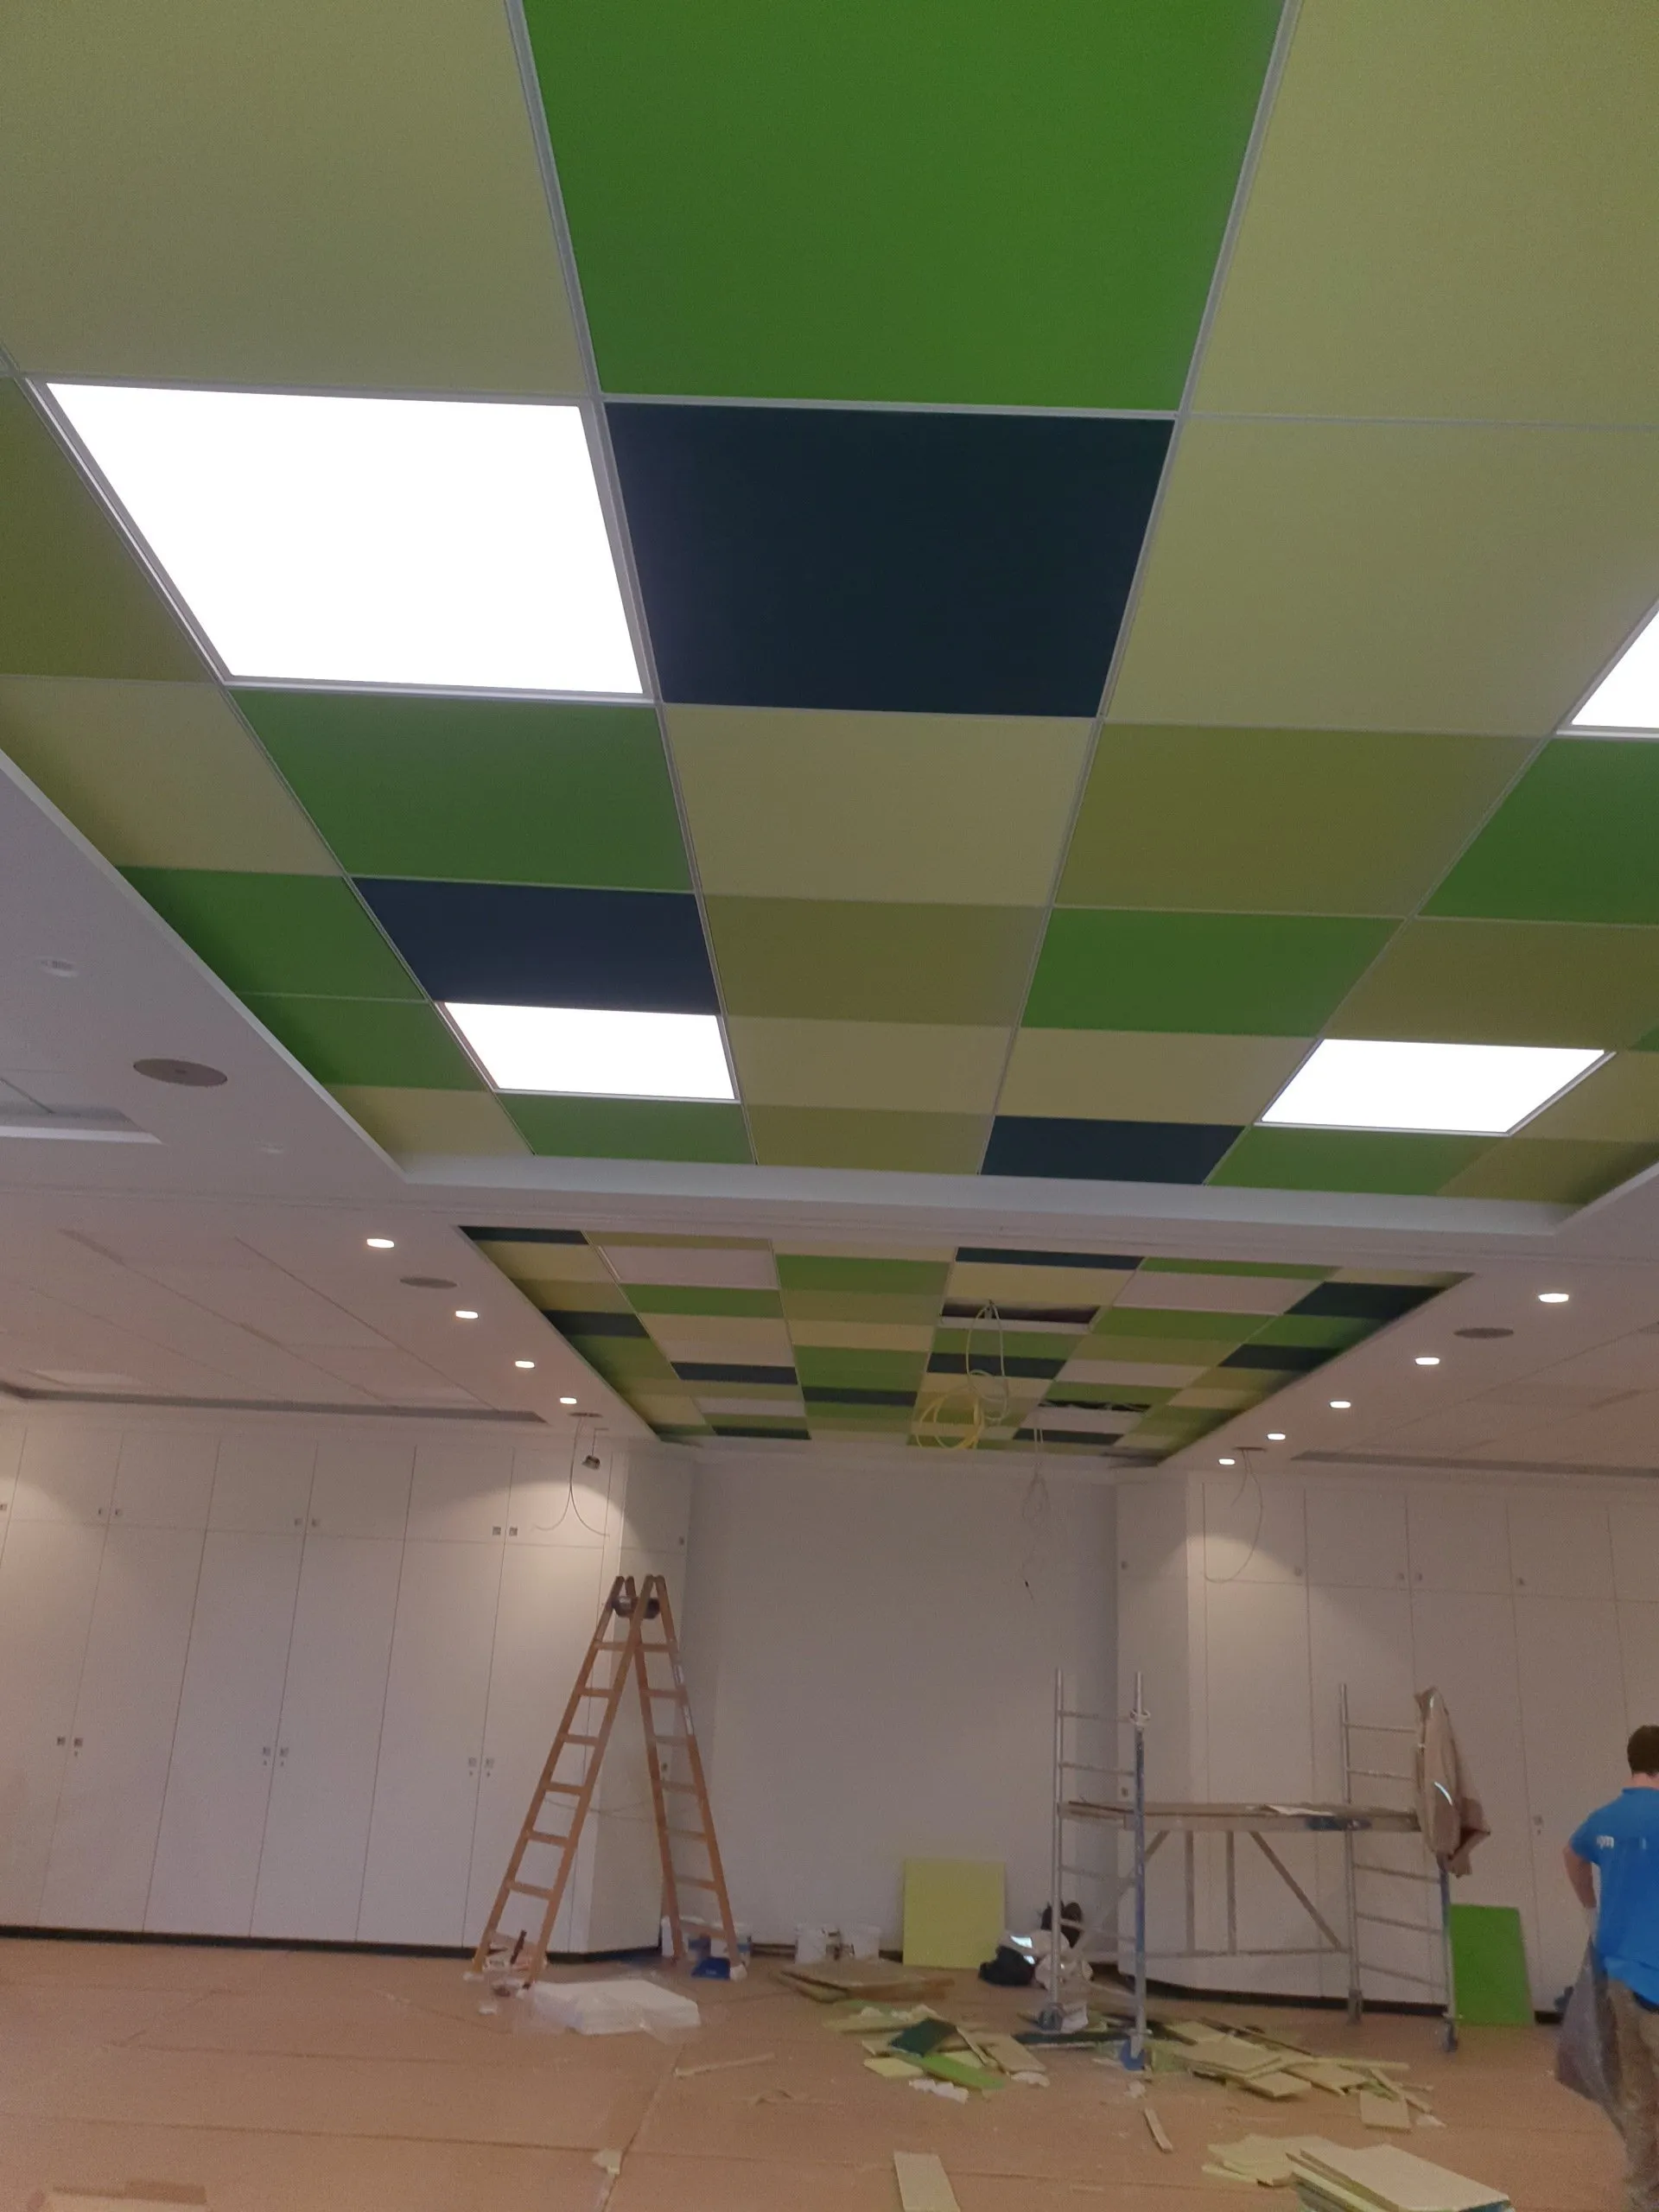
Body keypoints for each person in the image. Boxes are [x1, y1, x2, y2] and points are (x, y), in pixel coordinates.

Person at [1566, 1725, 1659, 2212]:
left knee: (1640, 2098)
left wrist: (1591, 1912)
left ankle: (1642, 2197)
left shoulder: (1606, 1819)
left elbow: (1572, 1854)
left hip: (1619, 1976)